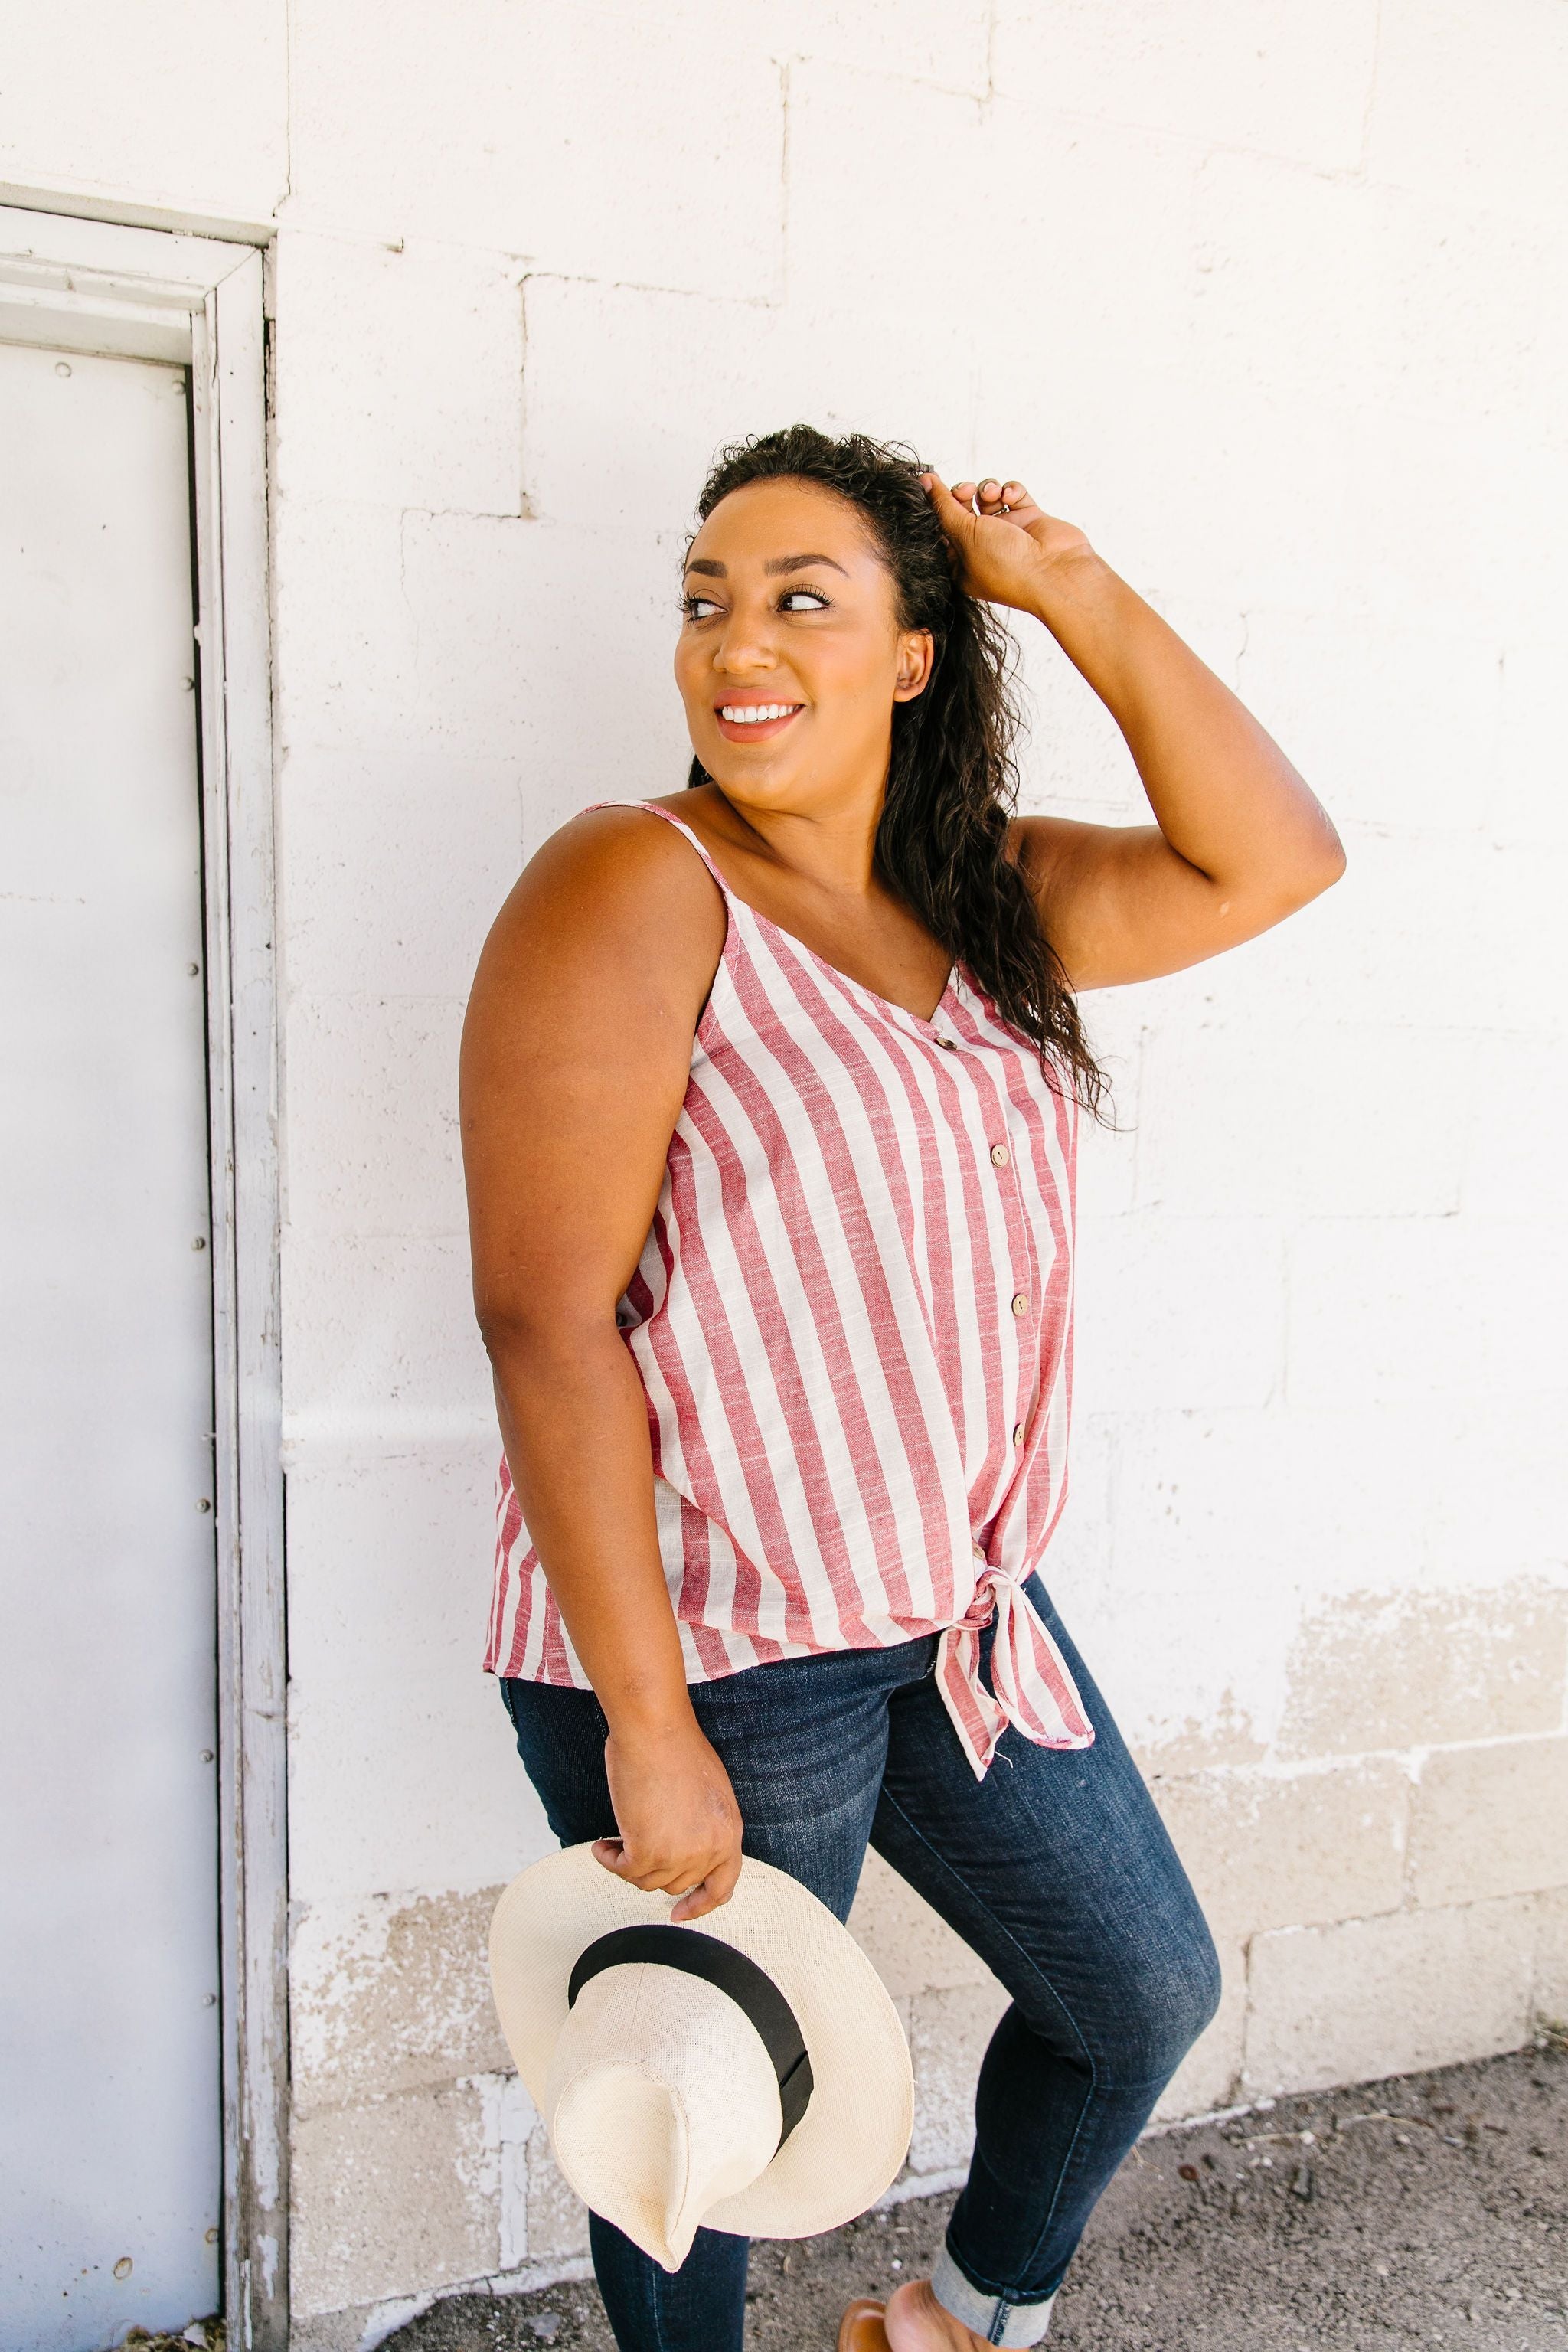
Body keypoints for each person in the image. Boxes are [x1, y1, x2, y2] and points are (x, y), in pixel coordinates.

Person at [459, 425, 1344, 2352]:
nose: (734, 643)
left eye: (800, 598)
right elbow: (545, 1323)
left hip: (947, 1616)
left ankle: (956, 2323)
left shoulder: (986, 897)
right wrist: (644, 1722)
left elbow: (1275, 857)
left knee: (1135, 1994)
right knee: (703, 2104)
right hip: (716, 1642)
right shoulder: (632, 880)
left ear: (914, 655)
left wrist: (1072, 588)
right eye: (705, 600)